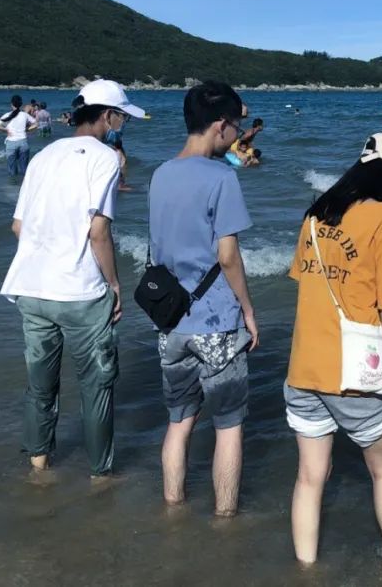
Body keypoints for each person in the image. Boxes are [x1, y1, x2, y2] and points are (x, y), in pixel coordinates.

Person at [0, 79, 143, 481]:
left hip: (30, 287)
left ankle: (39, 468)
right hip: (80, 293)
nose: (123, 124)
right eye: (122, 117)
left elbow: (18, 226)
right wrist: (114, 285)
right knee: (96, 388)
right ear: (107, 116)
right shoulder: (106, 158)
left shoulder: (44, 155)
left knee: (40, 386)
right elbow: (99, 231)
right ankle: (100, 477)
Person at [286, 133, 382, 564]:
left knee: (309, 478)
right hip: (355, 370)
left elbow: (306, 283)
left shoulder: (315, 214)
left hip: (303, 367)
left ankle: (306, 568)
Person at [148, 81, 260, 517]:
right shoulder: (222, 177)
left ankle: (173, 508)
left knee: (179, 422)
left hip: (171, 321)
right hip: (215, 321)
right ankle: (225, 519)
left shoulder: (160, 174)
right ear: (220, 125)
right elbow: (228, 256)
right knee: (228, 427)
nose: (236, 135)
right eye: (235, 127)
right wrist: (248, 310)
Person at [0, 95, 38, 178]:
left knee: (12, 172)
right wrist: (27, 129)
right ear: (21, 104)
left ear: (11, 104)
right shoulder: (25, 115)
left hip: (11, 143)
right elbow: (36, 124)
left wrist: (6, 130)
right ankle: (24, 184)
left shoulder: (7, 115)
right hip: (23, 143)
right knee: (24, 170)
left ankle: (13, 185)